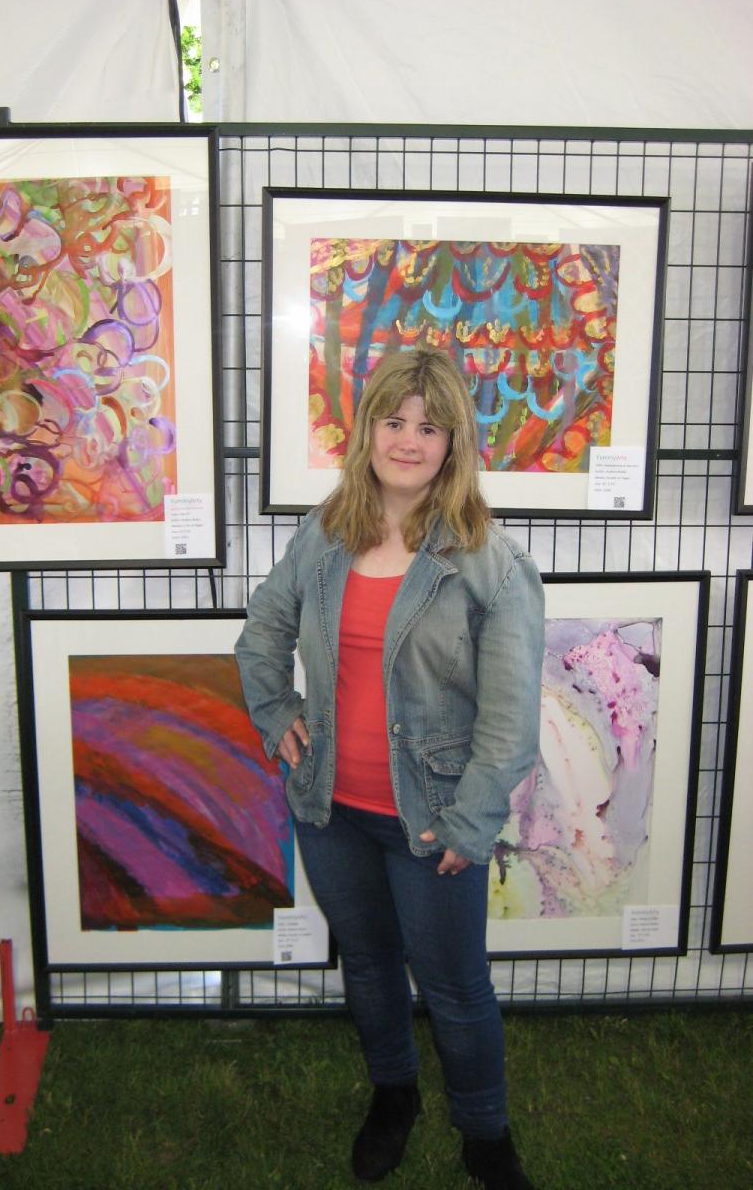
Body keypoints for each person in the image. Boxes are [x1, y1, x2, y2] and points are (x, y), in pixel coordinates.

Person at [234, 347, 544, 1188]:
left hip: (434, 819)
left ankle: (485, 1133)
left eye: (429, 428)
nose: (408, 441)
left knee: (454, 987)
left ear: (454, 444)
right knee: (368, 965)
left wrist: (473, 823)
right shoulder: (325, 534)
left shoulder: (490, 561)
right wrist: (278, 714)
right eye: (393, 421)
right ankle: (394, 1095)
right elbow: (261, 636)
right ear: (367, 428)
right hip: (330, 810)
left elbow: (511, 719)